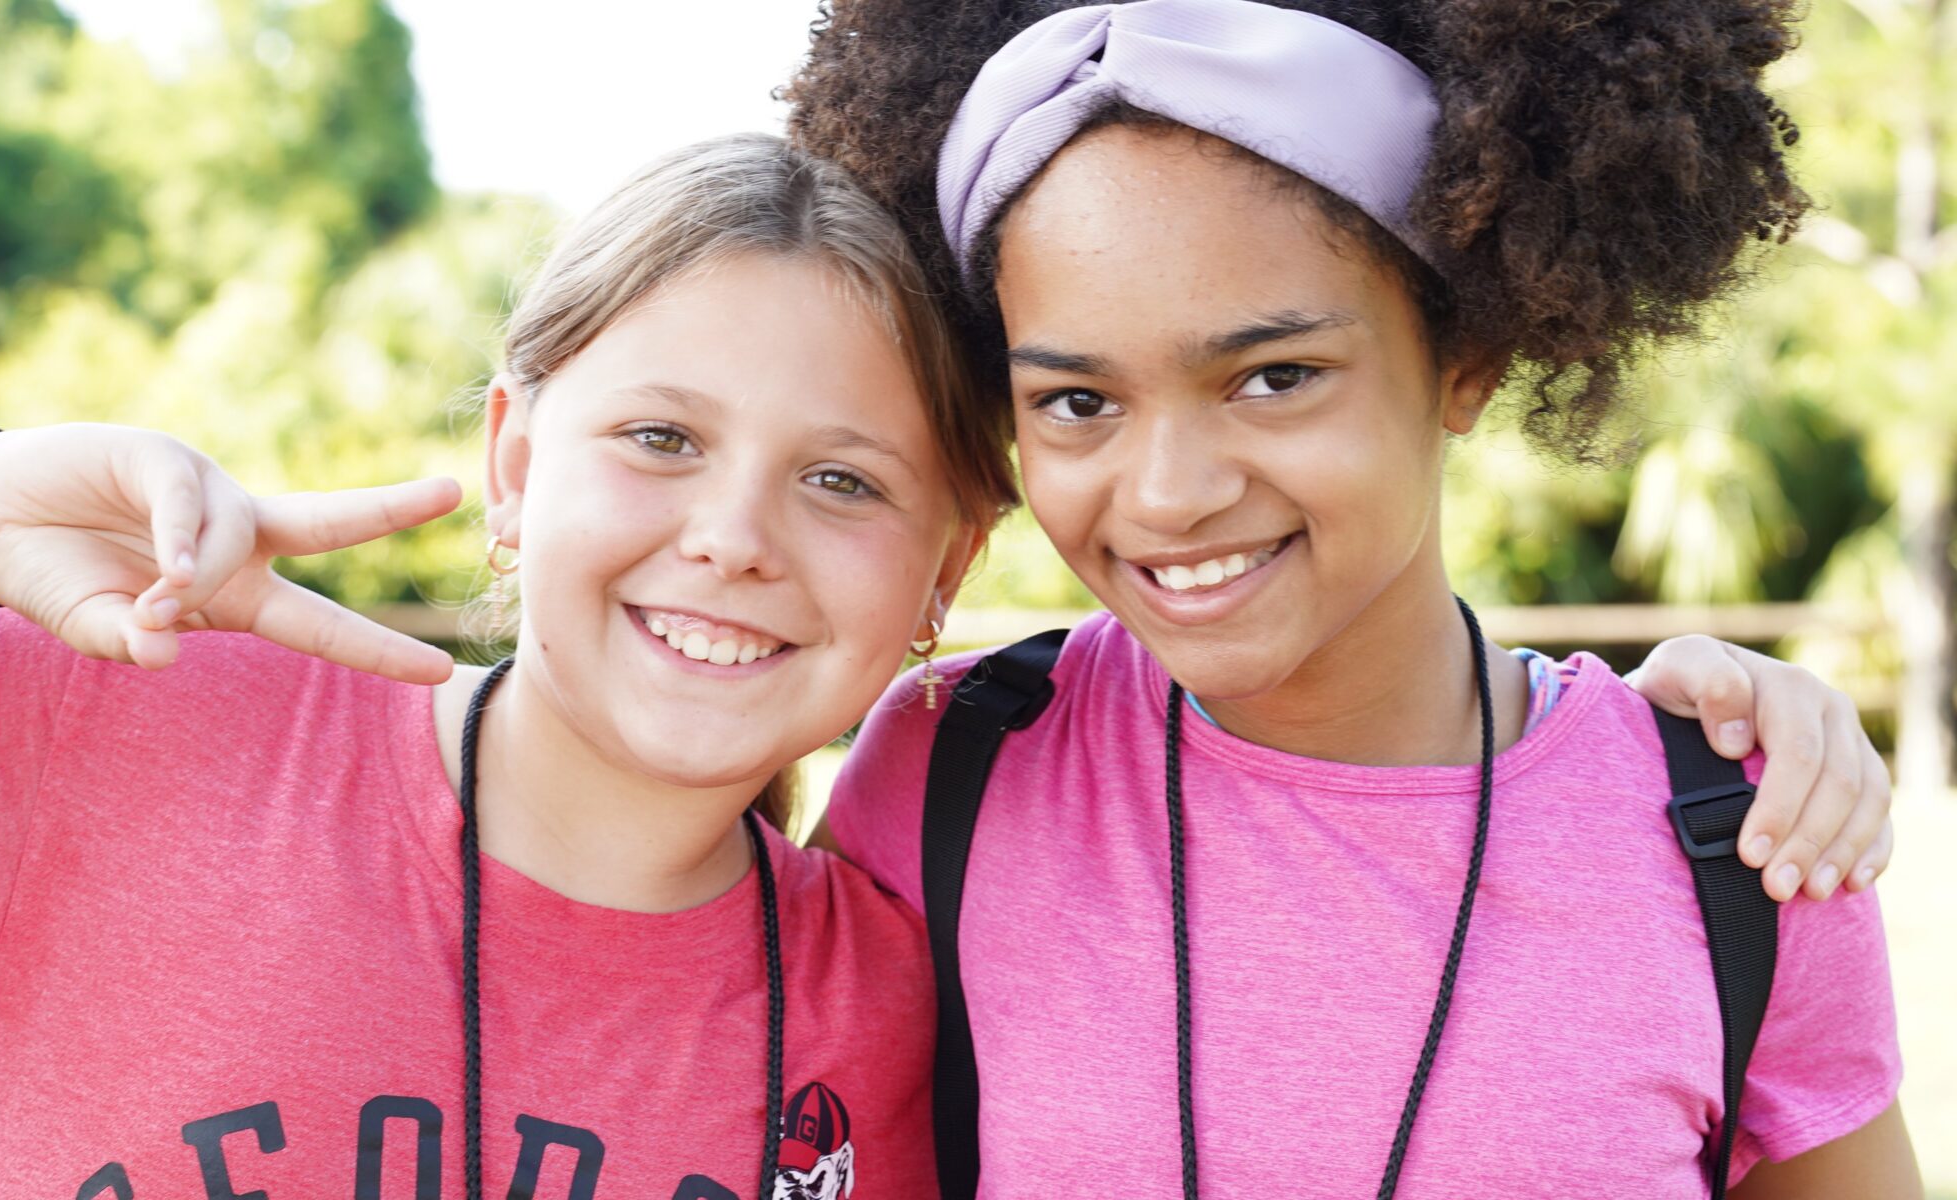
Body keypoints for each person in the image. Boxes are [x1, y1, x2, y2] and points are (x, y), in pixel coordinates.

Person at [782, 0, 1922, 1195]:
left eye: (1273, 377)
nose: (1168, 495)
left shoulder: (1748, 838)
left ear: (1464, 356)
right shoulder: (950, 769)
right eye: (1076, 401)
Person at [0, 133, 1016, 1200]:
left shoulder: (889, 1011)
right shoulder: (121, 702)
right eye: (660, 437)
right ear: (513, 461)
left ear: (946, 569)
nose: (734, 538)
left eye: (840, 480)